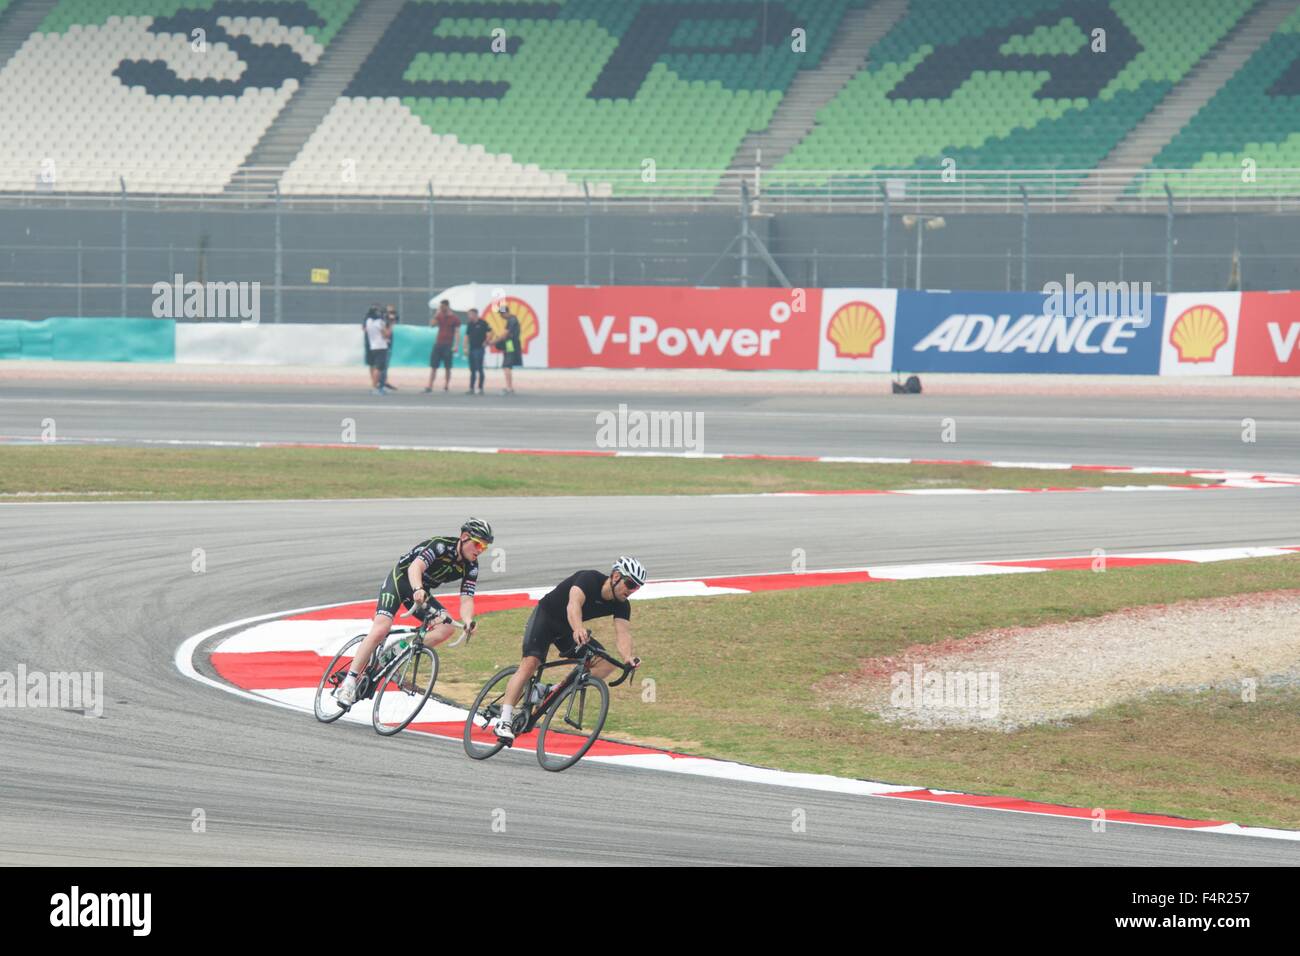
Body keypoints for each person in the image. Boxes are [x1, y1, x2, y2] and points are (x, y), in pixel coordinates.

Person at [334, 518, 494, 707]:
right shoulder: (441, 546)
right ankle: (349, 682)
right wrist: (418, 588)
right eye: (477, 544)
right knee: (381, 628)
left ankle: (400, 650)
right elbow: (415, 567)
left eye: (484, 547)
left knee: (447, 628)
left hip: (420, 592)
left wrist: (468, 620)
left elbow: (467, 598)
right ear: (465, 537)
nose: (480, 550)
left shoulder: (471, 566)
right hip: (401, 580)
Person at [493, 556, 645, 741]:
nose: (632, 590)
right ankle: (504, 719)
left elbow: (623, 633)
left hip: (567, 631)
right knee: (531, 662)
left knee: (605, 663)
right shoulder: (589, 579)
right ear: (615, 576)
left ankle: (552, 690)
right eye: (630, 584)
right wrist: (578, 628)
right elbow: (573, 604)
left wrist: (628, 657)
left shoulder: (622, 605)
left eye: (637, 587)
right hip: (546, 619)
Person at [424, 299, 460, 393]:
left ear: (447, 306)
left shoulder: (455, 318)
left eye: (442, 307)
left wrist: (456, 345)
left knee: (448, 367)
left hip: (448, 345)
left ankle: (446, 385)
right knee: (433, 366)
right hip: (438, 343)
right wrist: (436, 315)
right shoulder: (439, 316)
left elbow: (457, 332)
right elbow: (432, 325)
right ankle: (430, 385)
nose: (441, 308)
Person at [493, 302, 522, 395]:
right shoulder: (512, 320)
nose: (501, 316)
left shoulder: (511, 320)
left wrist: (495, 342)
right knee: (507, 366)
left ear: (505, 313)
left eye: (501, 314)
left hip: (511, 344)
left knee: (506, 365)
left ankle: (509, 387)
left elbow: (505, 334)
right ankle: (509, 386)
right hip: (510, 343)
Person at [364, 305, 391, 395]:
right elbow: (386, 334)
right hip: (381, 346)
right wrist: (389, 325)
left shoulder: (368, 321)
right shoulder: (379, 322)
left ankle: (377, 386)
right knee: (379, 368)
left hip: (373, 346)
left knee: (376, 367)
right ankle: (374, 387)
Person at [462, 307, 490, 395]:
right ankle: (471, 388)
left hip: (479, 349)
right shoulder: (470, 324)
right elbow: (467, 336)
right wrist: (465, 347)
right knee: (472, 369)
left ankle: (480, 388)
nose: (468, 316)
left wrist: (486, 342)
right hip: (472, 348)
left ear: (475, 314)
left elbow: (490, 333)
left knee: (480, 369)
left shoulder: (483, 323)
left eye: (470, 314)